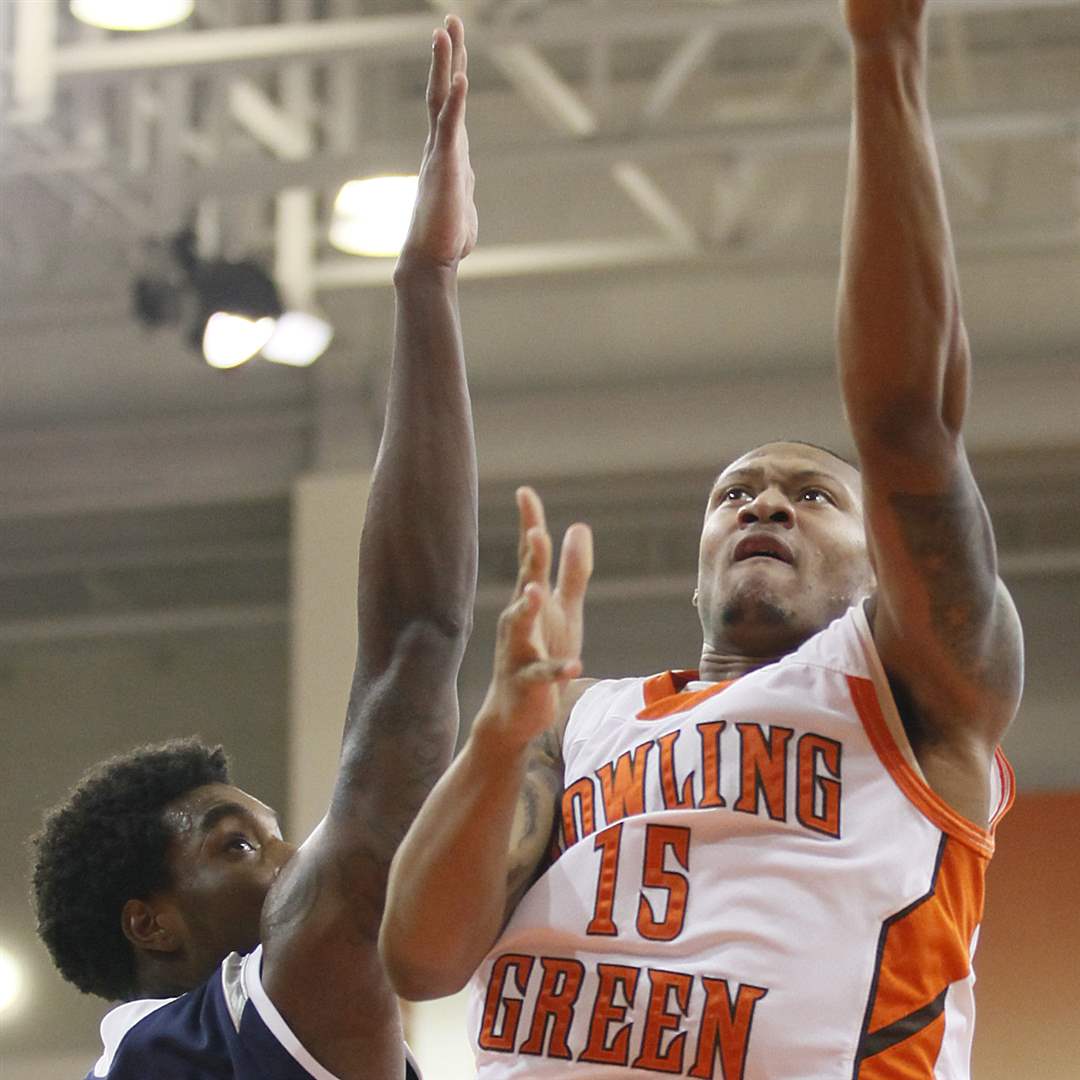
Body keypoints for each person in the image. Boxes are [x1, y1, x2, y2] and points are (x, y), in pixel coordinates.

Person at [378, 2, 1023, 1077]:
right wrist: (498, 734)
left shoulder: (914, 685)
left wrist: (883, 56)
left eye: (813, 496)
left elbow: (908, 424)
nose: (763, 506)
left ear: (882, 566)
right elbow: (420, 959)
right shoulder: (581, 723)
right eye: (735, 495)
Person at [30, 16, 478, 1080]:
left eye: (271, 835)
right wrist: (425, 288)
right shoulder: (226, 1028)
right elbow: (414, 643)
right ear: (154, 924)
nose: (288, 860)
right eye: (235, 846)